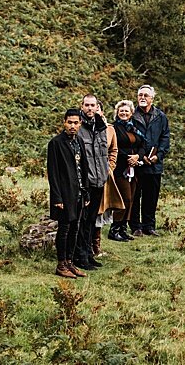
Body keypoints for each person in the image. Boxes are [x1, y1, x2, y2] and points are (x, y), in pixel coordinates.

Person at [46, 109, 92, 278]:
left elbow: (84, 168)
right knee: (64, 229)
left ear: (80, 124)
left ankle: (70, 263)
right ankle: (61, 264)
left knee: (75, 228)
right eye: (69, 122)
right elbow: (53, 172)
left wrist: (86, 192)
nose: (72, 126)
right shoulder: (56, 143)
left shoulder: (79, 141)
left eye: (76, 123)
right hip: (65, 194)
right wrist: (57, 197)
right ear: (64, 122)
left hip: (79, 192)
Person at [75, 95, 115, 268]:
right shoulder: (78, 127)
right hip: (86, 182)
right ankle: (80, 257)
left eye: (93, 105)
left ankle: (89, 254)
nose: (90, 108)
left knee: (92, 220)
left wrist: (107, 171)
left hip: (100, 180)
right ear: (82, 106)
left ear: (98, 106)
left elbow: (105, 153)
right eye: (87, 105)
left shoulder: (101, 126)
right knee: (82, 220)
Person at [129, 85, 170, 236]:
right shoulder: (131, 115)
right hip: (136, 164)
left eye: (146, 95)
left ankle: (149, 226)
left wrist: (157, 156)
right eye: (140, 95)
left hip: (154, 165)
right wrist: (139, 155)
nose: (142, 98)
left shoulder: (161, 116)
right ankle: (135, 226)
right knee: (135, 196)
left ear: (152, 98)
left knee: (151, 196)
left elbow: (165, 138)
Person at [108, 100, 146, 242]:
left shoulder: (135, 128)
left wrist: (138, 156)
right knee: (125, 198)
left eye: (126, 111)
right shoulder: (114, 128)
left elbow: (143, 144)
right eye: (121, 111)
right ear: (117, 113)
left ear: (131, 113)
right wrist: (128, 158)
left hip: (134, 168)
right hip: (120, 168)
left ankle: (123, 229)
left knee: (131, 200)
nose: (123, 113)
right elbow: (114, 147)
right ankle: (114, 229)